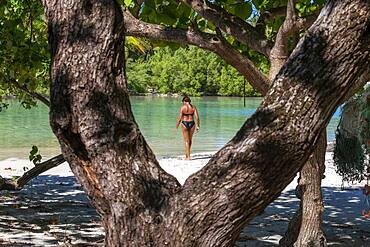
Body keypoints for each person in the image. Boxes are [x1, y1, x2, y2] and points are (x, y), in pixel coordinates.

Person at [175, 96, 200, 160]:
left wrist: (176, 126)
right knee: (190, 140)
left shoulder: (183, 108)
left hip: (185, 123)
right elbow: (197, 117)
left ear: (184, 101)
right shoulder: (193, 107)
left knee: (186, 141)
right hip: (192, 123)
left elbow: (180, 118)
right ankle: (187, 154)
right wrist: (198, 126)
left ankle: (188, 157)